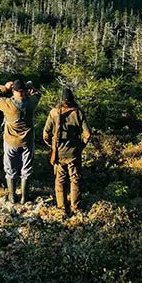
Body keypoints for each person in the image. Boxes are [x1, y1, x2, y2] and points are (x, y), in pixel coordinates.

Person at [0, 79, 41, 203]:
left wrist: (4, 88)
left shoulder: (8, 104)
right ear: (25, 91)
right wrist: (30, 86)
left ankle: (12, 197)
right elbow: (38, 94)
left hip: (11, 141)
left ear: (14, 90)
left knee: (10, 169)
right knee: (26, 169)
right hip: (27, 141)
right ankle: (24, 197)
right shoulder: (31, 103)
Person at [42, 87, 91, 215]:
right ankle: (76, 207)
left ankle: (62, 208)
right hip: (74, 152)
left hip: (58, 153)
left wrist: (52, 146)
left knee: (60, 179)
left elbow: (45, 135)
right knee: (75, 179)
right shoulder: (78, 113)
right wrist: (80, 147)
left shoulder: (53, 113)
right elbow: (87, 134)